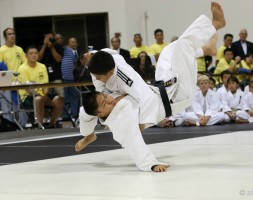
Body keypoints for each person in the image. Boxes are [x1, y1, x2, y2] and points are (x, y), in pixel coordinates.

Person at [75, 2, 226, 172]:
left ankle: (206, 48)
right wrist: (151, 163)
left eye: (106, 98)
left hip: (166, 88)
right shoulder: (116, 108)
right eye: (105, 102)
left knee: (170, 50)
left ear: (109, 72)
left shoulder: (128, 80)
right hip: (177, 95)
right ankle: (214, 26)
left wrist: (136, 122)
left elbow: (142, 109)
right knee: (181, 47)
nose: (109, 99)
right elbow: (133, 140)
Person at [18, 46, 64, 128]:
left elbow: (45, 85)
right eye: (31, 53)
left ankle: (52, 124)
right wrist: (42, 97)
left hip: (43, 95)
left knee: (59, 99)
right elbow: (28, 89)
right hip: (27, 97)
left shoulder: (42, 66)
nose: (34, 55)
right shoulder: (21, 68)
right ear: (26, 56)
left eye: (35, 53)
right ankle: (40, 126)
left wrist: (45, 95)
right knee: (39, 99)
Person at [0, 27, 27, 127]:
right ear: (5, 37)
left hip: (18, 83)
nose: (12, 36)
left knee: (18, 105)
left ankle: (21, 126)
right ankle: (9, 126)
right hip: (6, 84)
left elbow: (25, 64)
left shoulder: (19, 50)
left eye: (13, 33)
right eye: (9, 34)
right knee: (6, 107)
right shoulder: (1, 50)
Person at [38, 31, 65, 98]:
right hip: (44, 78)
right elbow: (38, 58)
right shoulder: (41, 47)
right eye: (48, 38)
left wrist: (52, 47)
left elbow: (58, 59)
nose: (50, 40)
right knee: (45, 98)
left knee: (61, 97)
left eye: (51, 38)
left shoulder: (58, 47)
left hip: (56, 77)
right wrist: (44, 45)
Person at [61, 37, 80, 118]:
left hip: (74, 79)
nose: (74, 43)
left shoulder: (76, 52)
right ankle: (65, 116)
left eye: (75, 42)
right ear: (68, 43)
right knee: (65, 97)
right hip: (65, 77)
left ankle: (74, 114)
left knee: (75, 96)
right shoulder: (65, 50)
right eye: (72, 42)